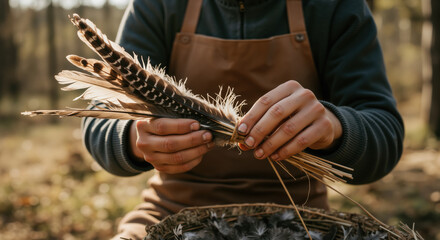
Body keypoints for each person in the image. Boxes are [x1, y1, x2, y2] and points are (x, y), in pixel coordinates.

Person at [82, 0, 404, 239]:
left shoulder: (335, 7)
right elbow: (98, 122)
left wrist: (336, 127)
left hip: (301, 220)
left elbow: (384, 130)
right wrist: (134, 140)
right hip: (171, 210)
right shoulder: (158, 6)